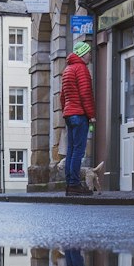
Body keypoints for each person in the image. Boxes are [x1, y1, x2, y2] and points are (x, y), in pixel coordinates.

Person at [60, 40, 96, 194]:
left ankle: (70, 183)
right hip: (79, 114)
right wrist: (91, 115)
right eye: (88, 53)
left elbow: (62, 96)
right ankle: (75, 184)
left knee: (70, 150)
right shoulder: (81, 69)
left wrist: (66, 111)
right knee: (78, 151)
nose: (90, 56)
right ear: (82, 54)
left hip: (69, 114)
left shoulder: (67, 69)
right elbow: (85, 94)